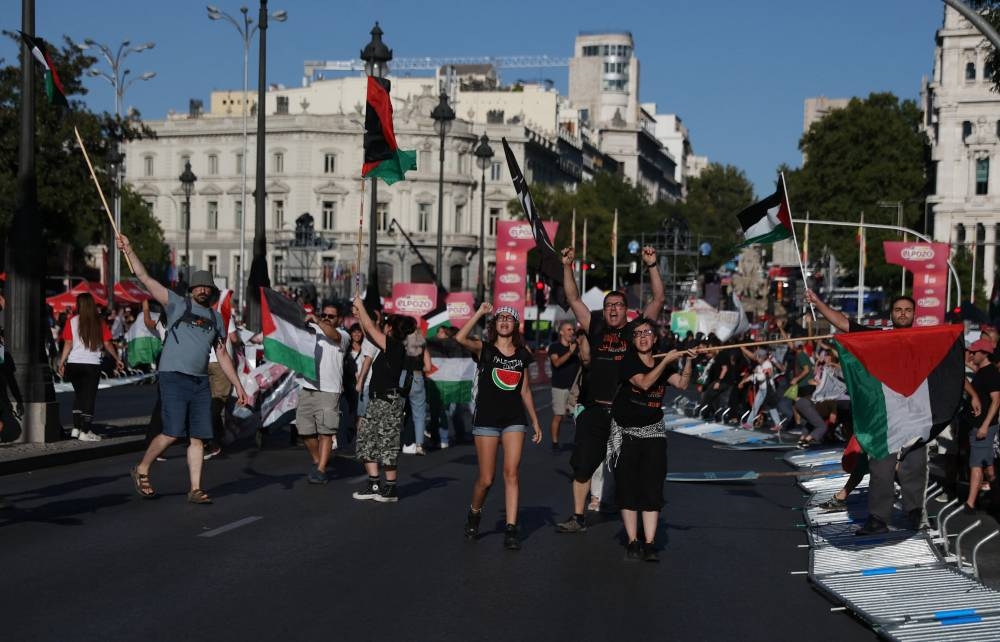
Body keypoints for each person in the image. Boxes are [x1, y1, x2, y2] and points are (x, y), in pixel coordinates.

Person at [119, 235, 248, 504]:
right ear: (191, 289)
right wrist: (129, 249)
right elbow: (145, 278)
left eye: (207, 287)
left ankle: (195, 488)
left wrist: (238, 385)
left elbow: (222, 354)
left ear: (212, 292)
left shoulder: (216, 319)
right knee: (172, 432)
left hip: (201, 381)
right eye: (198, 286)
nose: (203, 290)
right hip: (173, 376)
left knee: (199, 436)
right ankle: (142, 468)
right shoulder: (178, 304)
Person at [805, 290, 944, 533]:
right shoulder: (879, 337)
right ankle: (878, 519)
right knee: (880, 467)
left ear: (914, 314)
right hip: (885, 414)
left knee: (915, 467)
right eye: (898, 309)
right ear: (891, 314)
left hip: (915, 415)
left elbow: (948, 365)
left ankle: (915, 515)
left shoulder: (925, 340)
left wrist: (972, 394)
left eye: (907, 310)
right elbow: (843, 323)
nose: (903, 313)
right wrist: (818, 303)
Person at [556, 244, 665, 533]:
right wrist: (567, 265)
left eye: (618, 305)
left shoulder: (636, 331)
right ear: (603, 311)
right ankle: (578, 517)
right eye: (609, 306)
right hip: (594, 409)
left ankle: (638, 520)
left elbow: (658, 299)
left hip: (624, 412)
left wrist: (652, 265)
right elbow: (572, 297)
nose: (613, 309)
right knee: (582, 466)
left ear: (626, 310)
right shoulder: (594, 326)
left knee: (633, 470)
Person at [457, 303, 541, 550]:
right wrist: (480, 314)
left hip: (514, 419)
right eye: (500, 318)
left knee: (512, 473)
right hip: (486, 420)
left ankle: (511, 528)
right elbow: (460, 337)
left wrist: (535, 420)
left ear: (516, 325)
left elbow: (524, 389)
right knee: (486, 479)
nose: (505, 321)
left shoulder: (523, 354)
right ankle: (475, 512)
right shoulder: (484, 350)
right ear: (495, 325)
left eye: (509, 318)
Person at [609, 318, 694, 561]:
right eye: (638, 334)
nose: (643, 337)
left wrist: (688, 360)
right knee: (627, 487)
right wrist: (666, 360)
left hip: (654, 432)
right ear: (633, 340)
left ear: (655, 338)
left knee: (652, 487)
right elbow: (645, 383)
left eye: (647, 333)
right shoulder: (628, 362)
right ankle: (633, 540)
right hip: (627, 433)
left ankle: (649, 542)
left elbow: (682, 383)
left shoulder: (662, 362)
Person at [350, 297, 410, 503]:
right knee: (367, 441)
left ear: (391, 328)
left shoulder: (394, 345)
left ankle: (391, 488)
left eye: (385, 324)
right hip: (376, 400)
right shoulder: (387, 345)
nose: (382, 327)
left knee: (387, 443)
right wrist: (360, 314)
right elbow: (368, 332)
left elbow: (369, 327)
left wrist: (361, 306)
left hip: (388, 401)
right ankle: (374, 483)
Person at [57, 293, 124, 442]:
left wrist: (61, 362)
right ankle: (85, 431)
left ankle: (76, 428)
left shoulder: (71, 321)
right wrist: (117, 359)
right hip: (91, 364)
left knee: (79, 395)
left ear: (79, 305)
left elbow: (68, 343)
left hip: (73, 364)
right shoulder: (99, 322)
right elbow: (107, 343)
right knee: (89, 398)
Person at [298, 303, 350, 484]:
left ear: (339, 319)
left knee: (326, 432)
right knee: (304, 431)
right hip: (308, 386)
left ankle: (320, 470)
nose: (327, 318)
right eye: (324, 315)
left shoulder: (344, 335)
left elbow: (333, 335)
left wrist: (318, 321)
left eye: (331, 316)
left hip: (329, 389)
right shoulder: (313, 330)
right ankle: (318, 460)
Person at [963, 338, 1000, 513]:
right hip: (979, 425)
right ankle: (995, 498)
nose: (971, 354)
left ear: (984, 354)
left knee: (976, 464)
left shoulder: (991, 373)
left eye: (974, 352)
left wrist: (985, 425)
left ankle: (970, 504)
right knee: (987, 465)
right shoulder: (982, 370)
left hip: (984, 426)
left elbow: (996, 400)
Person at [547, 321, 581, 452]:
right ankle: (555, 442)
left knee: (578, 416)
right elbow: (556, 363)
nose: (571, 332)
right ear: (561, 332)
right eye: (568, 330)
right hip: (559, 386)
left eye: (572, 330)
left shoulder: (576, 347)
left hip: (575, 388)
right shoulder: (554, 347)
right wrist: (570, 353)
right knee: (559, 416)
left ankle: (579, 442)